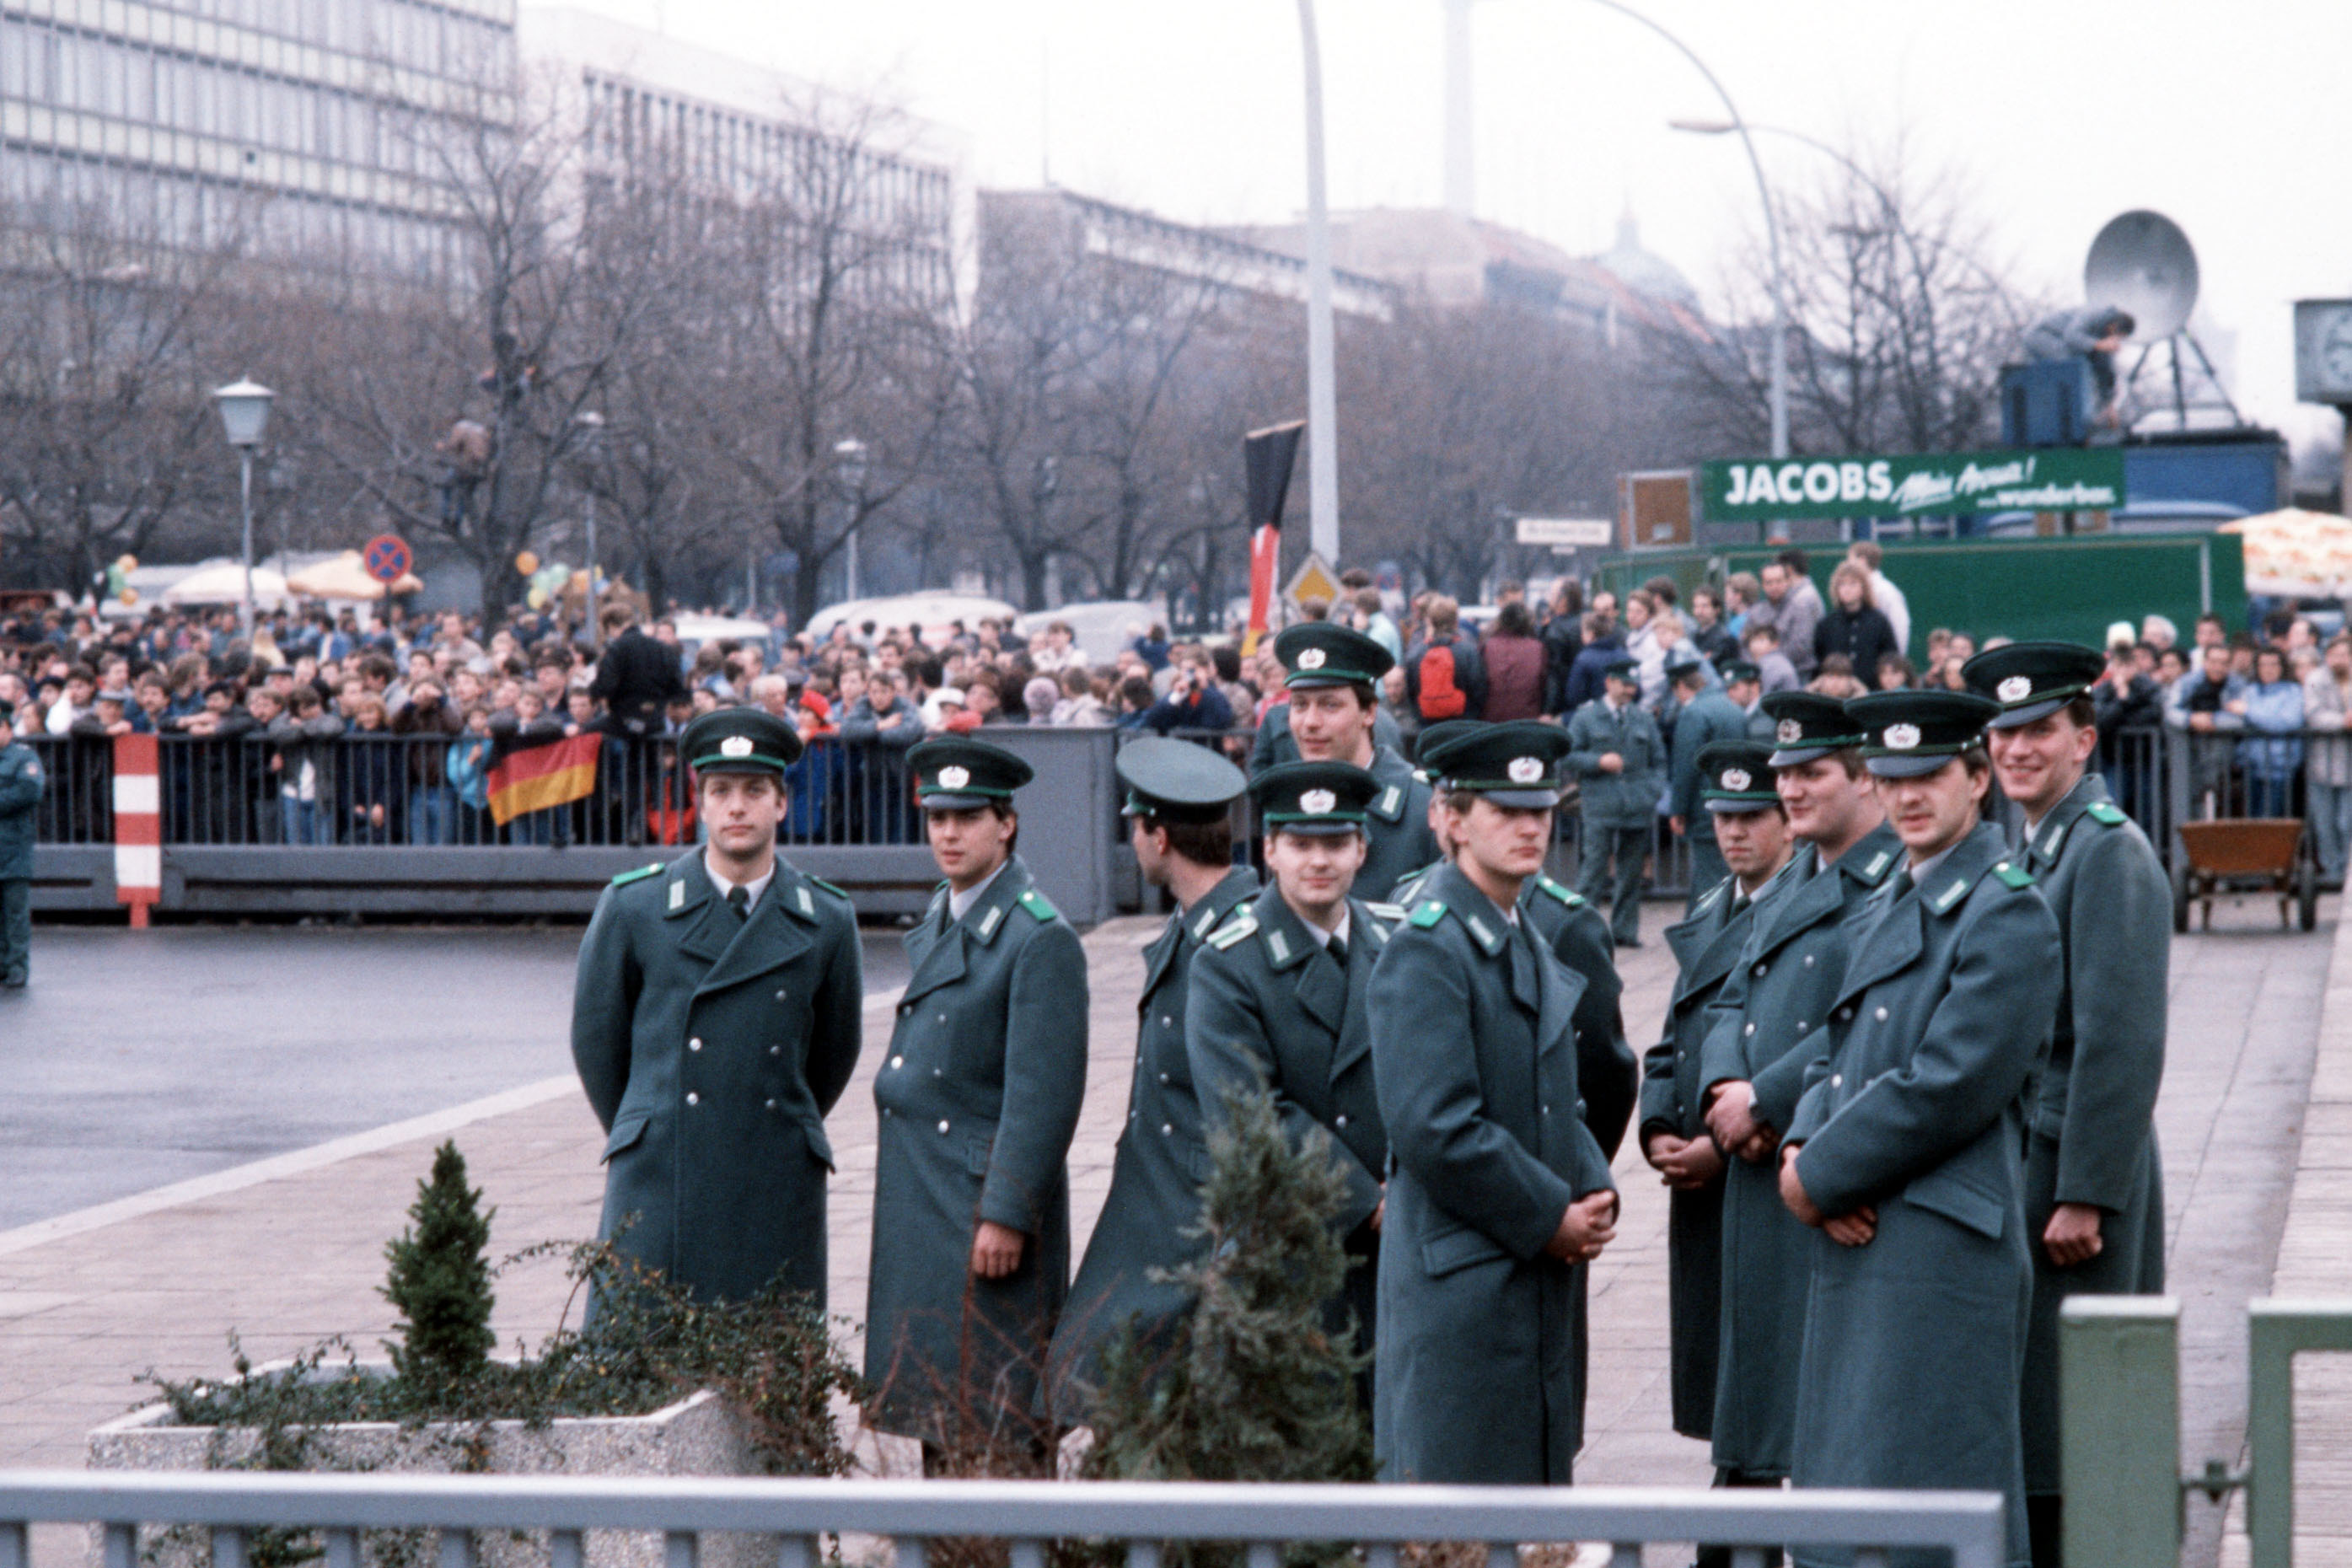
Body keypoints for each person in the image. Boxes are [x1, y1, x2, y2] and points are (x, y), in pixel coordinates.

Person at [1775, 690, 2061, 1568]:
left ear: (1978, 780)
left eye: (1930, 776)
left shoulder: (2007, 909)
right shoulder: (1895, 896)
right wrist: (1801, 1148)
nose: (1907, 798)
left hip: (1939, 1244)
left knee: (1936, 1504)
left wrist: (1818, 1176)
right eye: (1890, 779)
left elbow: (1948, 1083)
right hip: (1867, 1226)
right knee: (1856, 1502)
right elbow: (1838, 1050)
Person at [1963, 642, 2170, 1568]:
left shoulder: (2107, 853)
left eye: (2039, 730)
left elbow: (2120, 1041)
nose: (2016, 750)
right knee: (2040, 1408)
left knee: (2070, 1420)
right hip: (2037, 1164)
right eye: (2003, 734)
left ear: (2084, 740)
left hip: (2076, 1175)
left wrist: (2085, 1188)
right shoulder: (2039, 846)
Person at [1370, 720, 1619, 1483]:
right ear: (1448, 819)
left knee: (1529, 1499)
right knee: (1463, 1512)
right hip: (1465, 1283)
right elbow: (1435, 1127)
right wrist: (1552, 1215)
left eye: (1539, 811)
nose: (1529, 828)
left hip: (1518, 1273)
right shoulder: (1429, 944)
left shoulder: (1518, 930)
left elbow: (1555, 1092)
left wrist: (1591, 1177)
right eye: (1504, 811)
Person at [569, 707, 865, 1308]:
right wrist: (648, 1123)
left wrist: (768, 1114)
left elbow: (834, 1051)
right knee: (642, 1356)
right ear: (699, 804)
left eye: (755, 791)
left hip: (773, 1170)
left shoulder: (827, 918)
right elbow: (598, 1041)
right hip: (662, 1173)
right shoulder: (636, 906)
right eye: (721, 791)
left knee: (767, 1367)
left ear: (781, 804)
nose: (737, 807)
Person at [1698, 693, 1902, 1515]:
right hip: (1757, 1167)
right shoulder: (1790, 882)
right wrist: (1721, 1090)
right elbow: (1725, 1001)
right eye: (1784, 772)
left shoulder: (1888, 879)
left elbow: (1870, 1025)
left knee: (1826, 1423)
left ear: (1865, 780)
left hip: (1823, 1164)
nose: (1789, 789)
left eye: (1812, 771)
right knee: (1756, 1419)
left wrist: (1766, 1098)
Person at [866, 737, 1087, 1465]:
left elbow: (1043, 1094)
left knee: (996, 1407)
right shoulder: (946, 913)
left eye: (967, 818)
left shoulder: (1036, 936)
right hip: (931, 1200)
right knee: (942, 1406)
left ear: (1007, 824)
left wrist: (1007, 1210)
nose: (949, 835)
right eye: (937, 820)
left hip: (978, 1207)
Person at [1047, 740, 1256, 1418]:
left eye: (1134, 828)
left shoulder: (1238, 935)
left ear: (1158, 837)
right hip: (1160, 1199)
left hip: (1196, 1212)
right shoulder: (1198, 923)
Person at [1188, 760, 1393, 1387]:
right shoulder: (1229, 964)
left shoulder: (1400, 944)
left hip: (1402, 1248)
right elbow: (1250, 1114)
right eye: (1300, 844)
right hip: (1293, 1249)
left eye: (1335, 843)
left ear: (1362, 849)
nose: (1319, 861)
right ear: (1269, 851)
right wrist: (1370, 1201)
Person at [1640, 740, 1792, 1483]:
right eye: (1723, 819)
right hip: (1698, 1173)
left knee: (1765, 1389)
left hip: (1756, 1167)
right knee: (1723, 1384)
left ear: (1789, 821)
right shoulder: (1712, 906)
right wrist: (1659, 1129)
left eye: (1753, 818)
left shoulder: (1801, 909)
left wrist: (1717, 1145)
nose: (1734, 833)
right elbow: (1672, 1040)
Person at [1248, 624, 1435, 902]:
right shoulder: (1286, 800)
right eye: (1299, 705)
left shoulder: (1423, 805)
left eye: (1330, 705)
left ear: (1369, 712)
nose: (1310, 722)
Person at [1567, 656, 1667, 948]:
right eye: (1624, 685)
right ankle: (1583, 933)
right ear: (1608, 683)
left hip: (1636, 805)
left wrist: (1654, 791)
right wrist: (1598, 761)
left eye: (1633, 686)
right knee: (1594, 870)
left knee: (1631, 872)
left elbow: (1659, 761)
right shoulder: (1586, 717)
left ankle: (1624, 930)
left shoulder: (1643, 718)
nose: (1629, 691)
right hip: (1600, 804)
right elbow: (1569, 755)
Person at [1667, 652, 1753, 910]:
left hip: (1705, 807)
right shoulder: (1734, 709)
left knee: (1709, 879)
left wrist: (1677, 809)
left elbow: (1686, 766)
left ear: (1681, 686)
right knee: (1718, 874)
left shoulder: (1693, 713)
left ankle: (1704, 938)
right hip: (1736, 801)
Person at [2022, 306, 2135, 426]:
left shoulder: (2103, 336)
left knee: (2084, 365)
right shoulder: (2094, 314)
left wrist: (2109, 404)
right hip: (2041, 335)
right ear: (2113, 326)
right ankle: (2071, 418)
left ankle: (2075, 418)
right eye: (2116, 336)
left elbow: (2104, 370)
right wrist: (2098, 344)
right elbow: (2071, 336)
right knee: (2077, 365)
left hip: (2061, 343)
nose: (2115, 341)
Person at [0, 699, 41, 990]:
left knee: (15, 912)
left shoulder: (24, 758)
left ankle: (16, 966)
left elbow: (29, 791)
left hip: (13, 845)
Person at [2305, 636, 2352, 884]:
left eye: (2344, 654)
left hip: (2349, 765)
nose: (2338, 660)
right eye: (2334, 655)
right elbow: (2313, 715)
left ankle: (2348, 871)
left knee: (2347, 821)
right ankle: (2332, 872)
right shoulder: (2315, 679)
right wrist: (2342, 722)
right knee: (2324, 823)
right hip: (2322, 763)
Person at [2238, 645, 2305, 819]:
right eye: (2263, 665)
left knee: (2270, 822)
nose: (2268, 669)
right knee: (2250, 822)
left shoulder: (2294, 692)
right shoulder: (2250, 691)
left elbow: (2287, 722)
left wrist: (2249, 712)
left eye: (2273, 664)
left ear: (2282, 667)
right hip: (2251, 766)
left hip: (2280, 768)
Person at [1401, 594, 1487, 723]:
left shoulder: (1415, 654)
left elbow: (1411, 693)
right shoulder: (1469, 652)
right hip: (1463, 723)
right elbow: (1479, 691)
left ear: (1430, 622)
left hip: (1427, 725)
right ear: (1456, 622)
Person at [1812, 563, 1898, 683]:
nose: (1847, 589)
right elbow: (1818, 661)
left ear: (1864, 587)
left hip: (1871, 693)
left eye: (1853, 583)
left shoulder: (1879, 622)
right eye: (1842, 584)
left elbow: (1890, 657)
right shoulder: (1827, 624)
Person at [1480, 600, 1547, 722]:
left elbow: (1479, 685)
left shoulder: (1488, 647)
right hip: (1527, 719)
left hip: (1491, 720)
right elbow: (1543, 683)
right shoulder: (1537, 648)